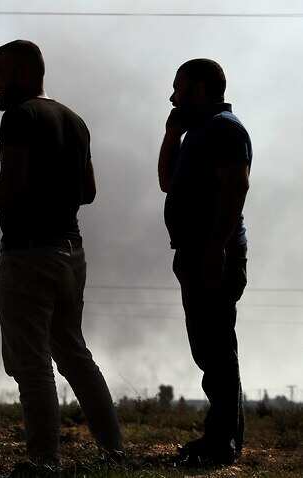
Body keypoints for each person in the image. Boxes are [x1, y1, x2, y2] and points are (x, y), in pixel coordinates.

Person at [0, 39, 123, 471]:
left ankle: (43, 461)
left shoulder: (20, 118)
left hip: (28, 256)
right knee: (75, 354)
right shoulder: (74, 120)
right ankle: (114, 451)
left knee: (31, 363)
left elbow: (13, 184)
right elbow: (89, 192)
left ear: (21, 74)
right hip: (71, 251)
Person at [158, 58, 251, 465]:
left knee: (216, 348)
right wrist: (171, 134)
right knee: (210, 348)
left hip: (212, 253)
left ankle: (221, 444)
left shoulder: (225, 130)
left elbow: (236, 187)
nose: (173, 96)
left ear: (198, 89)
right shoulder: (197, 132)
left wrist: (217, 248)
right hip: (195, 252)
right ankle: (222, 438)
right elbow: (166, 181)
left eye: (178, 87)